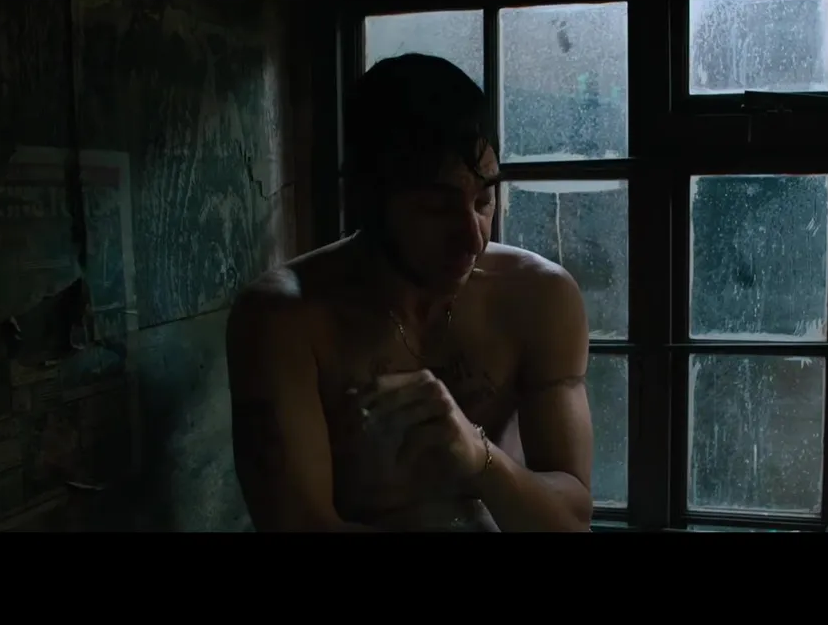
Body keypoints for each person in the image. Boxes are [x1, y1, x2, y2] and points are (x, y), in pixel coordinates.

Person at [224, 53, 594, 532]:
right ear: (368, 199)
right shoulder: (284, 320)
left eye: (484, 200)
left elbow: (572, 522)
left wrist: (479, 456)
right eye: (437, 208)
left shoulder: (537, 297)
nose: (473, 238)